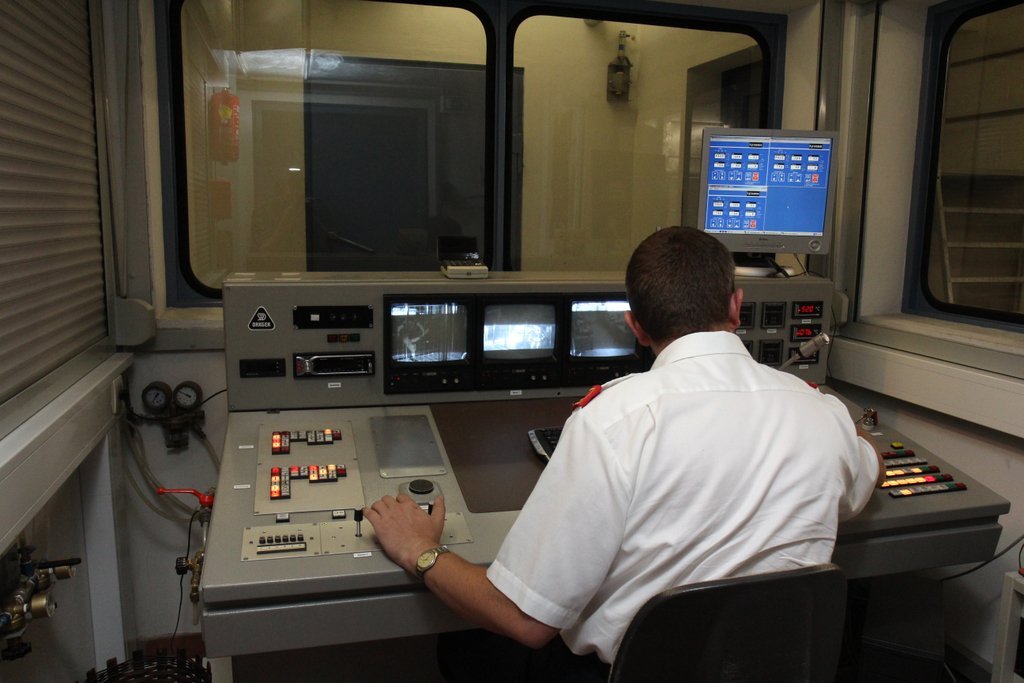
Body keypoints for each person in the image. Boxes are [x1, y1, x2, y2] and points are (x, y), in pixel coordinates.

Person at [364, 225, 883, 682]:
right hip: (767, 670)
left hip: (624, 674)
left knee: (462, 646)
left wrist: (420, 549)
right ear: (735, 305)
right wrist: (854, 431)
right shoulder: (820, 413)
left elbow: (524, 620)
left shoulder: (614, 420)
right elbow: (870, 470)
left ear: (635, 325)